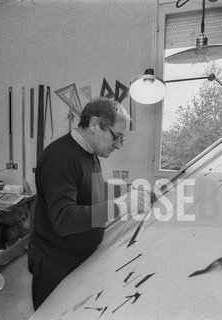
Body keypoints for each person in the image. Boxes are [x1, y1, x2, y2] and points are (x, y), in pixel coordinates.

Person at [28, 97, 149, 310]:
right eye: (116, 137)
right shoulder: (60, 158)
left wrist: (128, 194)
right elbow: (65, 219)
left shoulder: (90, 153)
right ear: (94, 124)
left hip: (79, 259)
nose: (118, 145)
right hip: (56, 266)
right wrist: (122, 205)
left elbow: (88, 193)